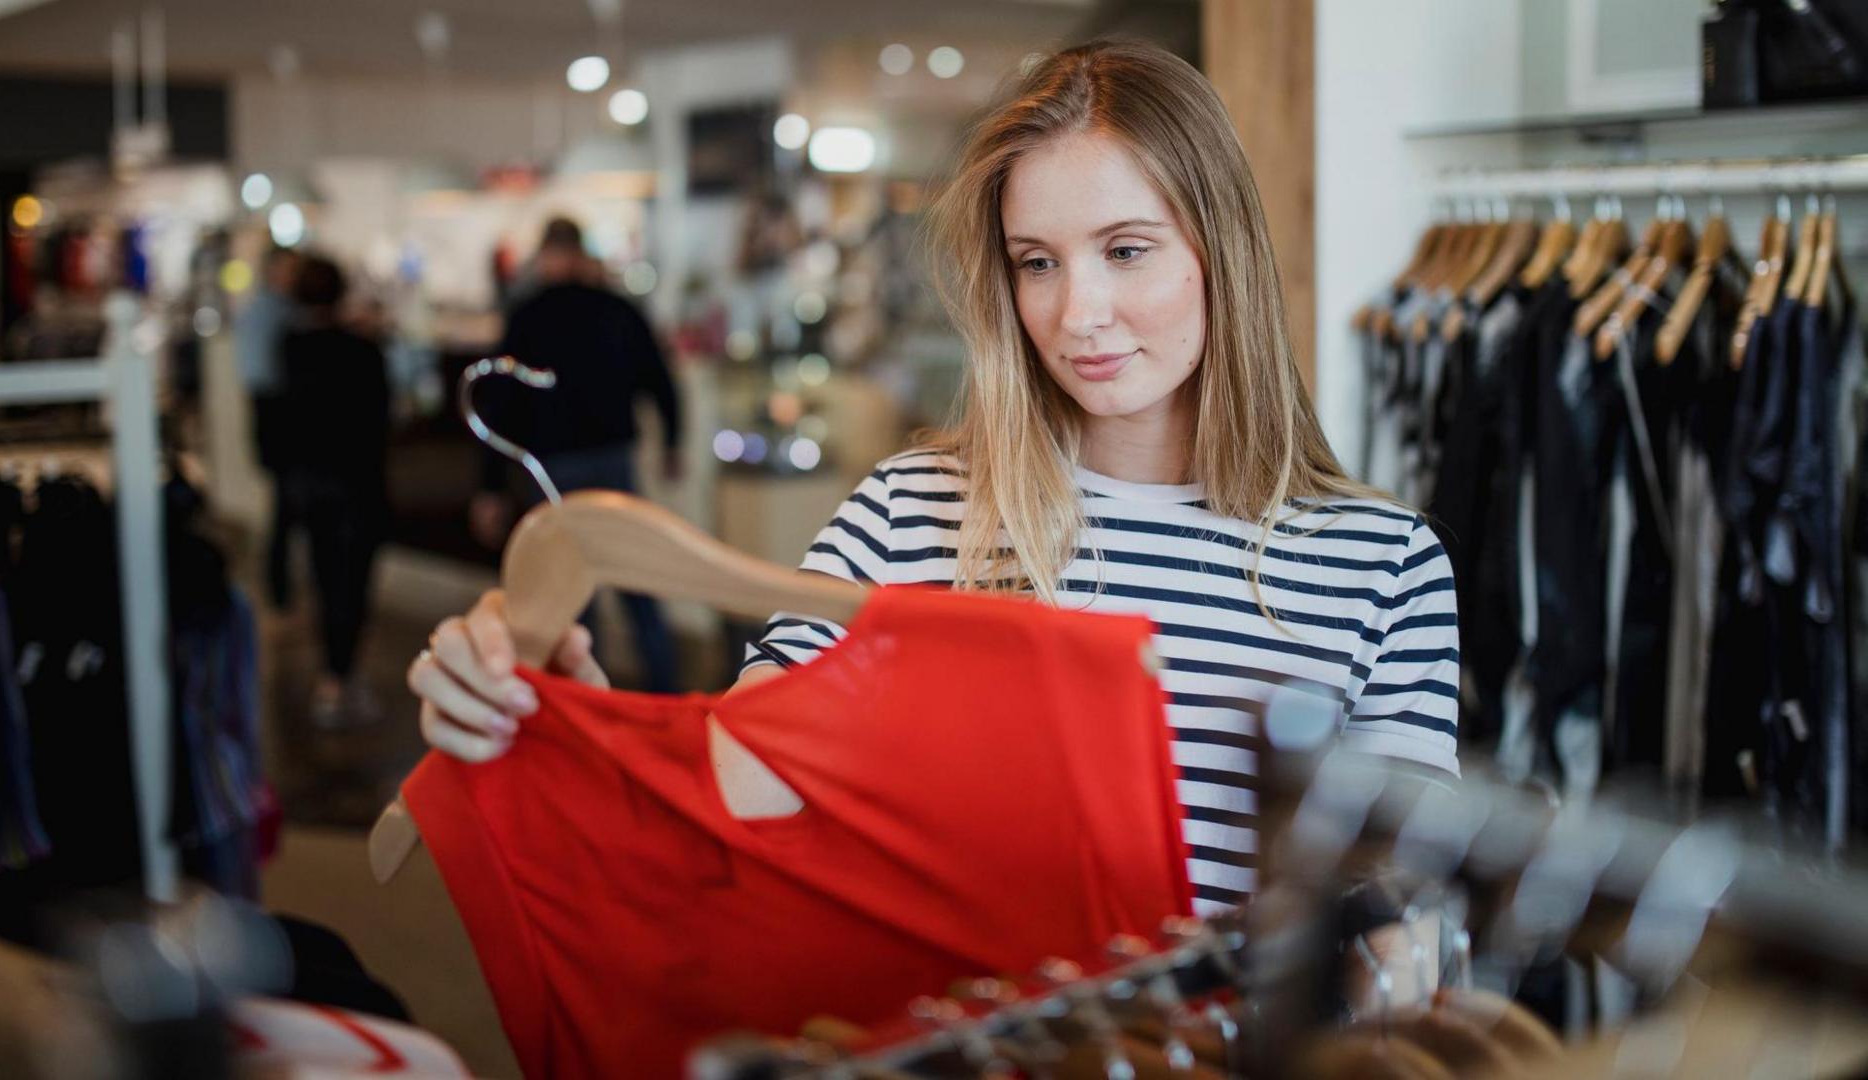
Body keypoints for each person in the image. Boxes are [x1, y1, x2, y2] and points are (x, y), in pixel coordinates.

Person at [409, 41, 1460, 914]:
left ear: (1219, 252)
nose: (1074, 313)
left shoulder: (1380, 565)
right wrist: (568, 719)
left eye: (1127, 250)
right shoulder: (909, 513)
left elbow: (1397, 927)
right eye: (1035, 262)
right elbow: (736, 787)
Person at [468, 216, 683, 693]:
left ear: (547, 256)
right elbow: (661, 380)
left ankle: (588, 704)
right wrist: (672, 442)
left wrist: (489, 486)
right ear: (582, 255)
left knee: (572, 594)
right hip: (614, 459)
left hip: (554, 467)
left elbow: (500, 404)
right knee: (637, 580)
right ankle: (669, 698)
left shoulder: (527, 315)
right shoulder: (617, 308)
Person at [280, 255, 391, 725]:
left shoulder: (291, 349)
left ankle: (332, 677)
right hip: (359, 483)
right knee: (355, 584)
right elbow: (383, 418)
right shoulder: (364, 351)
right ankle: (342, 677)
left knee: (325, 582)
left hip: (313, 484)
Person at [235, 246, 301, 610]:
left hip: (275, 415)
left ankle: (281, 591)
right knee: (283, 509)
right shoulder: (267, 312)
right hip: (276, 416)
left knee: (284, 509)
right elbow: (263, 377)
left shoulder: (275, 310)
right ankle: (279, 592)